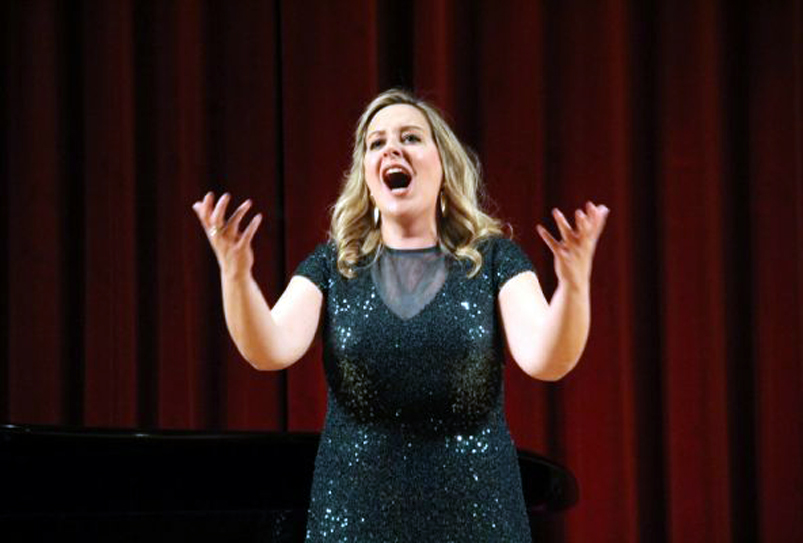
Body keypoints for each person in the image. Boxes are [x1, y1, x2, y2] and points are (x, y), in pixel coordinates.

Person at [192, 89, 608, 542]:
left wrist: (573, 285)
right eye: (377, 143)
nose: (392, 149)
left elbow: (546, 359)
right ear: (367, 177)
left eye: (410, 137)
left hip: (478, 519)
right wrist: (236, 276)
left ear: (443, 164)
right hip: (354, 521)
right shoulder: (333, 265)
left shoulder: (493, 259)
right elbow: (269, 350)